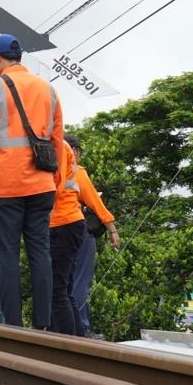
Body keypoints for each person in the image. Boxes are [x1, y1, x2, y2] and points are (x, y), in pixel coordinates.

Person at [0, 34, 64, 329]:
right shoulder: (48, 89)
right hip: (42, 186)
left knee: (7, 256)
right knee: (40, 253)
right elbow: (57, 141)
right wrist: (56, 183)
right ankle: (42, 325)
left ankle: (13, 327)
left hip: (5, 187)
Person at [66, 135, 121, 337]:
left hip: (53, 231)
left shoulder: (48, 172)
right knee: (80, 282)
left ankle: (63, 328)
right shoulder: (76, 172)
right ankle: (81, 329)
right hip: (78, 230)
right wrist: (112, 230)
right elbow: (96, 204)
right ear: (74, 151)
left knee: (62, 282)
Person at [49, 139, 86, 335]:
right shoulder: (56, 146)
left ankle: (67, 344)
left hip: (64, 222)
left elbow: (56, 183)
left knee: (57, 290)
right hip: (64, 223)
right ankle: (78, 339)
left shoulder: (59, 147)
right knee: (63, 289)